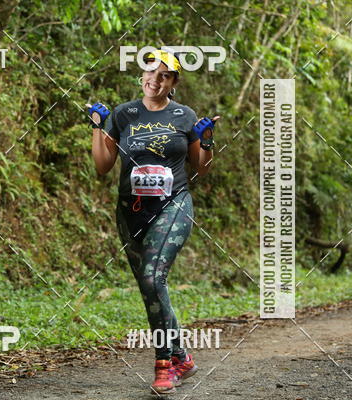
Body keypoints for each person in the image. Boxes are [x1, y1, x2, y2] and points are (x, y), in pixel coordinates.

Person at [88, 49, 219, 394]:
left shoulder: (184, 116)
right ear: (141, 75)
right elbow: (102, 166)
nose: (155, 79)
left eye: (164, 75)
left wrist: (206, 142)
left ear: (174, 82)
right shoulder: (124, 114)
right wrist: (98, 128)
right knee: (151, 287)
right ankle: (182, 356)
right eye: (150, 72)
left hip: (173, 205)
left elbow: (202, 168)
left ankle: (165, 365)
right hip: (130, 211)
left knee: (152, 277)